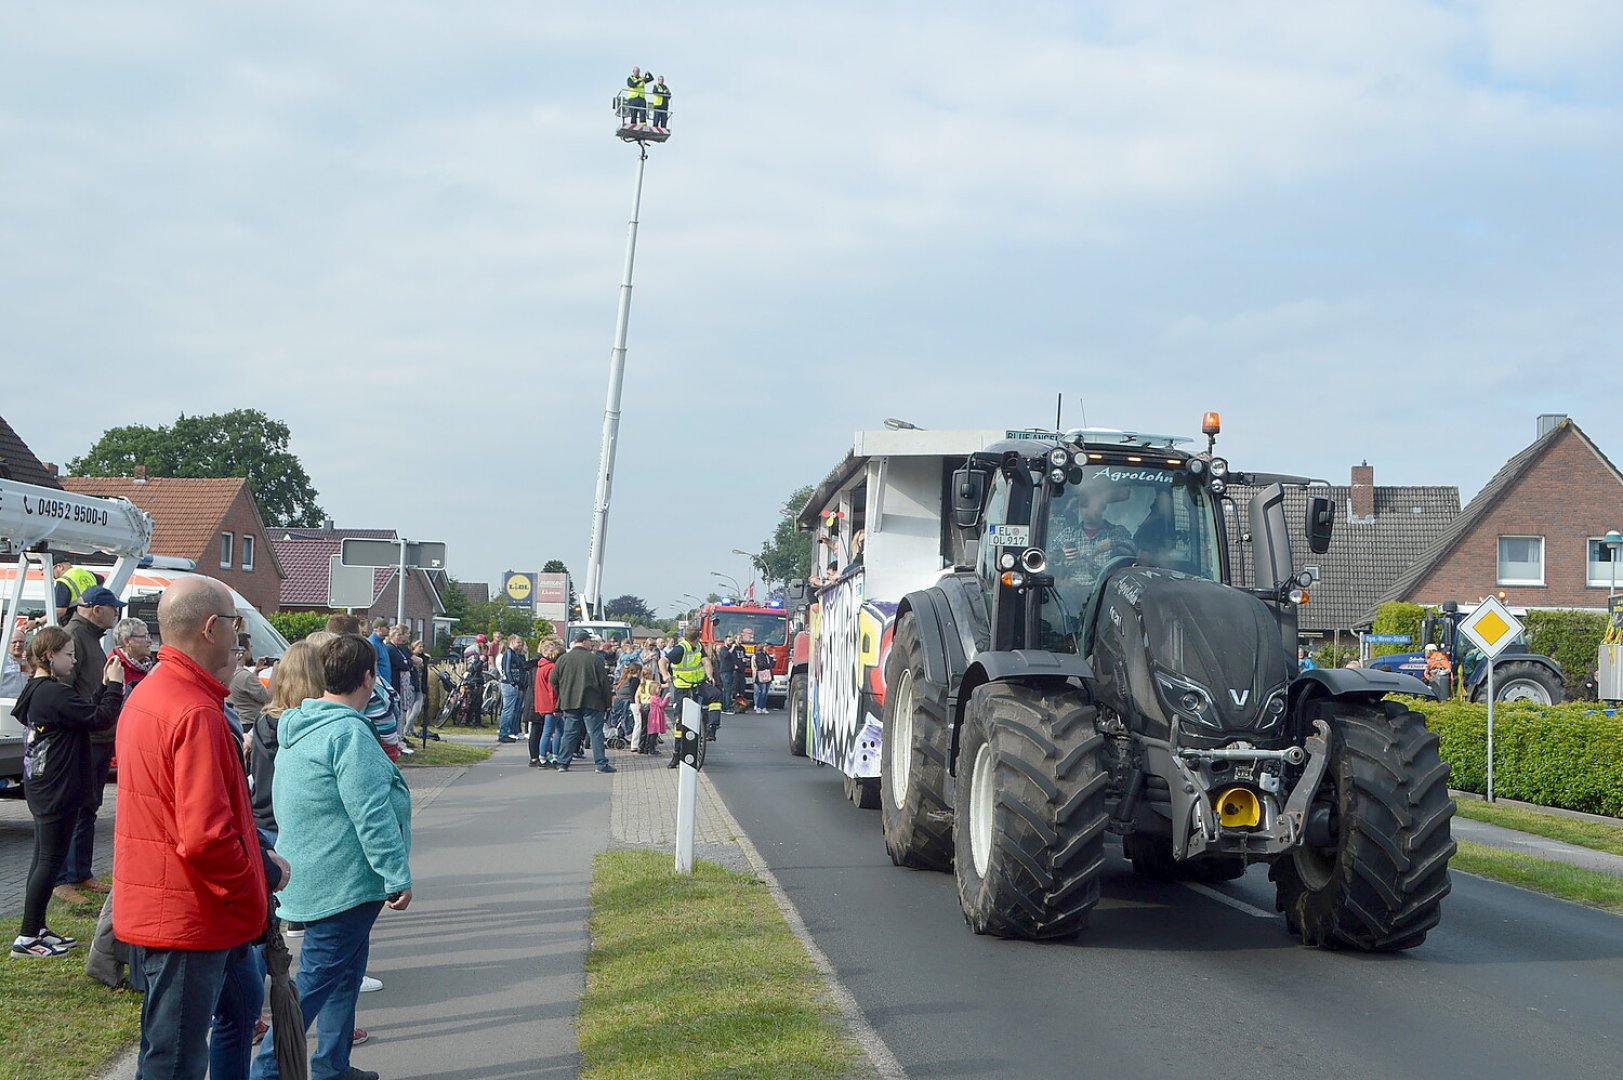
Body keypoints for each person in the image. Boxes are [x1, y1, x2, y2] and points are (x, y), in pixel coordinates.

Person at [114, 576, 286, 1080]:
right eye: (235, 624)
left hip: (186, 901)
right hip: (190, 913)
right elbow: (206, 837)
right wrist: (258, 880)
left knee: (239, 1005)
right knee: (174, 1059)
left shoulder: (155, 693)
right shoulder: (194, 710)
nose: (238, 638)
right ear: (212, 628)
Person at [251, 634, 411, 1080]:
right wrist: (396, 874)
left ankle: (332, 1066)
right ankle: (264, 1073)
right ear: (368, 678)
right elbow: (371, 813)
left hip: (318, 873)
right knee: (313, 989)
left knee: (344, 976)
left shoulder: (304, 723)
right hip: (340, 882)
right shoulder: (346, 733)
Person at [11, 626, 125, 958]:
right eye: (69, 655)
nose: (73, 663)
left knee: (43, 859)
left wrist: (103, 685)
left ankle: (36, 926)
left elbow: (81, 712)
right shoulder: (53, 693)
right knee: (49, 861)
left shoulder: (41, 691)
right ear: (50, 655)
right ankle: (28, 936)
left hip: (45, 784)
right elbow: (100, 718)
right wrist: (116, 685)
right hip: (55, 788)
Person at [56, 583, 127, 902]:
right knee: (75, 808)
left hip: (96, 736)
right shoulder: (74, 637)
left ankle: (80, 872)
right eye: (114, 608)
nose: (117, 614)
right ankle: (64, 878)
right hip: (85, 737)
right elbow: (65, 691)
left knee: (88, 807)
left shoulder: (87, 637)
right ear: (96, 610)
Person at [550, 630, 615, 773]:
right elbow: (604, 683)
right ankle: (600, 764)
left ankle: (563, 763)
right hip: (593, 702)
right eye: (590, 641)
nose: (591, 644)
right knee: (595, 733)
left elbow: (553, 680)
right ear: (584, 641)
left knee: (570, 733)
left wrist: (563, 692)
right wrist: (607, 703)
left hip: (570, 702)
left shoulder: (563, 659)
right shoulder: (595, 660)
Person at [662, 625, 720, 768]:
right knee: (680, 722)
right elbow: (662, 661)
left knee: (716, 695)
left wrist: (710, 675)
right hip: (683, 687)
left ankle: (711, 727)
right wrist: (665, 674)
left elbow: (706, 661)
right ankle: (677, 755)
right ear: (698, 637)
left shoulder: (698, 646)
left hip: (698, 684)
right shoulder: (681, 649)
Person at [529, 640, 563, 767]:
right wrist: (556, 706)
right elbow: (552, 689)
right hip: (550, 705)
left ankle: (552, 756)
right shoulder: (551, 668)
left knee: (556, 730)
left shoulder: (541, 666)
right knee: (550, 731)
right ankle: (544, 757)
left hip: (543, 703)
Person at [228, 638, 272, 735]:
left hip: (238, 722)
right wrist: (275, 675)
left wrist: (256, 672)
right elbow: (268, 698)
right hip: (250, 725)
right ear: (243, 650)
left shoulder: (230, 672)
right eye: (250, 648)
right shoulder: (245, 676)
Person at [495, 634, 527, 744]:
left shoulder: (514, 654)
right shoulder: (508, 653)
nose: (520, 645)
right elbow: (507, 669)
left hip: (512, 684)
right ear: (512, 642)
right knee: (508, 710)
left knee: (511, 709)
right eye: (518, 642)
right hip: (509, 685)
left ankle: (507, 732)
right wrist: (513, 682)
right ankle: (503, 733)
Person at [108, 616, 155, 687]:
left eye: (149, 636)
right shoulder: (114, 668)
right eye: (144, 636)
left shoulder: (153, 667)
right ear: (127, 641)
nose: (149, 641)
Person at [716, 636, 742, 714]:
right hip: (725, 672)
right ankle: (727, 708)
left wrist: (735, 665)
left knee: (728, 690)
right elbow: (726, 655)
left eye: (732, 640)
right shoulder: (723, 649)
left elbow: (734, 658)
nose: (731, 642)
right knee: (727, 690)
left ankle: (724, 707)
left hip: (731, 671)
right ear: (725, 641)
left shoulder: (733, 650)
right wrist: (732, 648)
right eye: (729, 640)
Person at [1, 628, 27, 699]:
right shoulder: (2, 662)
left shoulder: (30, 661)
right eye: (14, 642)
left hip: (25, 704)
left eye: (21, 641)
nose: (18, 645)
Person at [751, 643, 774, 714]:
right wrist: (768, 665)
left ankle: (763, 707)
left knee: (766, 693)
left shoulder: (767, 655)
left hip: (768, 675)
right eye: (766, 647)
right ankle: (758, 706)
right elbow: (761, 665)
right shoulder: (758, 655)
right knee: (762, 692)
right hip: (761, 675)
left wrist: (773, 661)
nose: (767, 648)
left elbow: (772, 664)